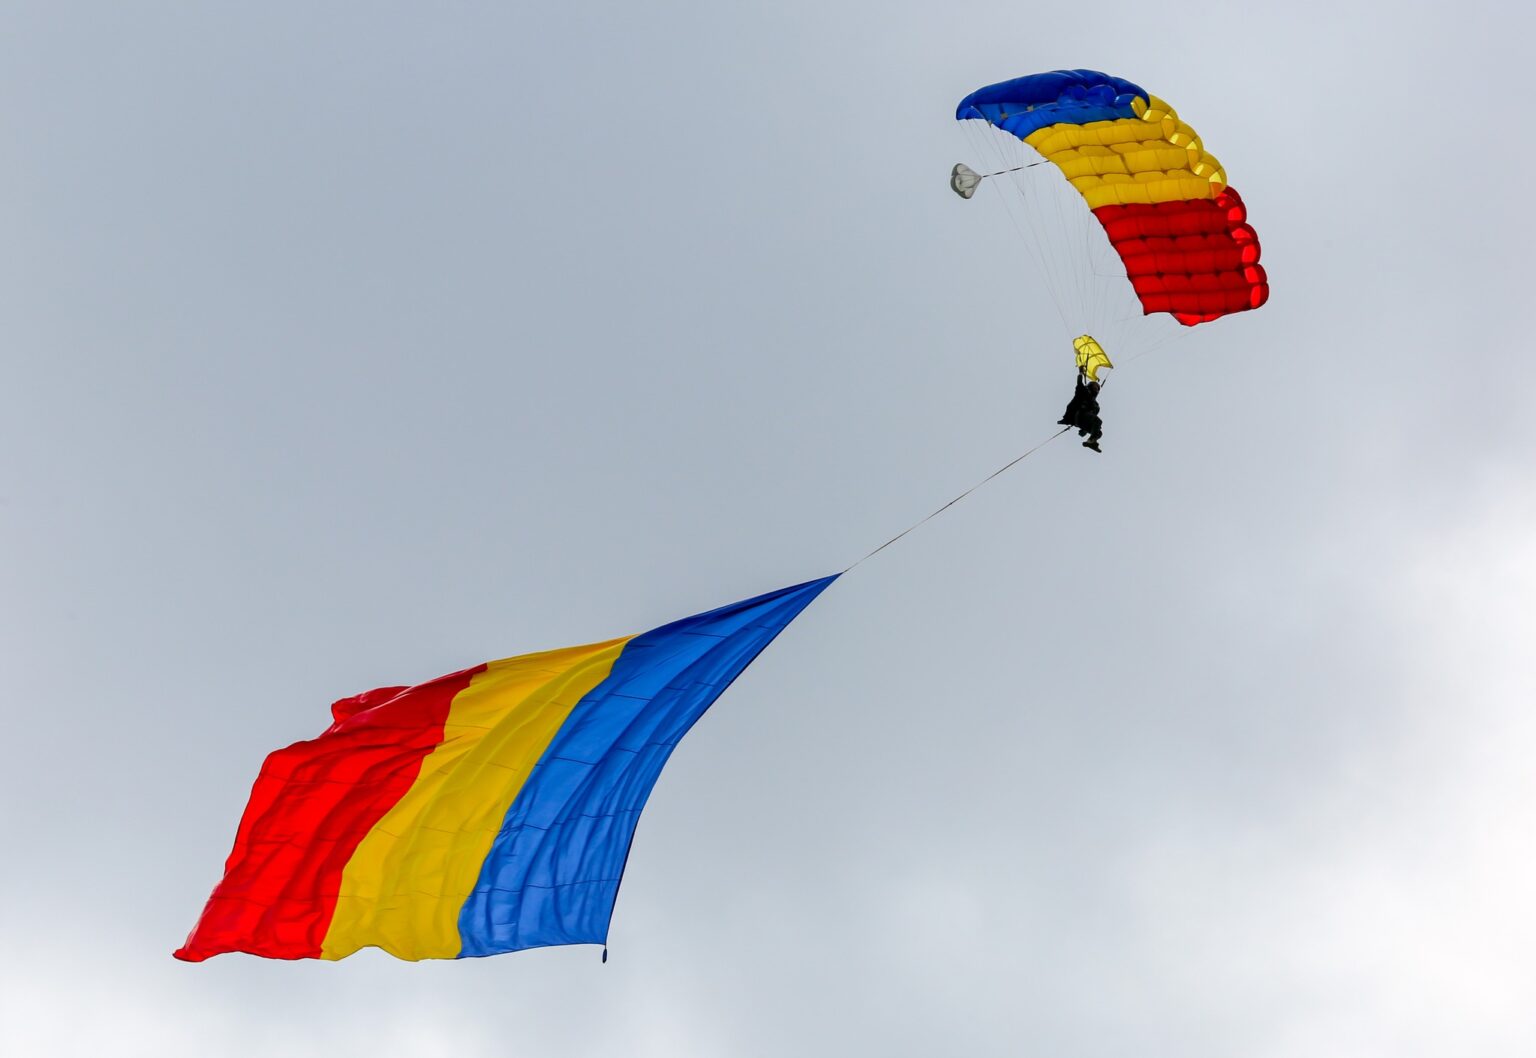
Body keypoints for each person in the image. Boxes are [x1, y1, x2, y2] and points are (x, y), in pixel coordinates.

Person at [1057, 369, 1103, 452]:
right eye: (1095, 386)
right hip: (1078, 414)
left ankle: (1091, 442)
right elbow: (1079, 383)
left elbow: (1092, 416)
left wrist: (1084, 430)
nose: (1097, 388)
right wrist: (1081, 372)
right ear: (1090, 386)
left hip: (1081, 421)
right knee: (1098, 421)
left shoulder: (1095, 405)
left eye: (1098, 388)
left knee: (1099, 433)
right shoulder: (1083, 391)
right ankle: (1091, 440)